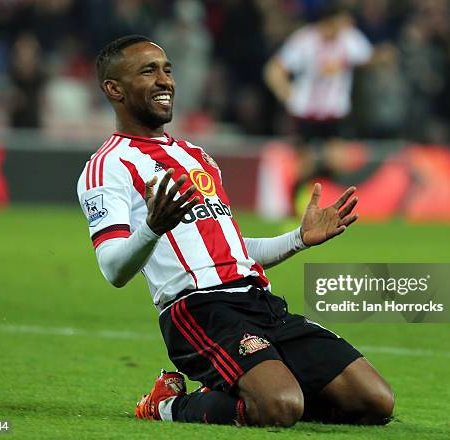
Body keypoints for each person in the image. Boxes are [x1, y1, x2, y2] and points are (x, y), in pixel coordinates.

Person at [77, 35, 394, 427]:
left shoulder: (196, 156)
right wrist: (152, 228)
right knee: (279, 408)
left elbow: (230, 250)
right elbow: (113, 268)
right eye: (148, 71)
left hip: (258, 301)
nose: (165, 80)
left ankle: (245, 388)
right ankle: (167, 405)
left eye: (167, 70)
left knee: (374, 402)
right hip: (199, 311)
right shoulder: (108, 166)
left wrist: (298, 239)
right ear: (114, 89)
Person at [263, 4, 373, 214]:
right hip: (306, 113)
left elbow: (369, 58)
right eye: (342, 21)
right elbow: (274, 69)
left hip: (335, 113)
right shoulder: (304, 40)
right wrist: (287, 95)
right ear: (330, 21)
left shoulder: (349, 39)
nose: (346, 26)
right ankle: (293, 208)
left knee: (338, 162)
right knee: (304, 164)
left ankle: (321, 204)